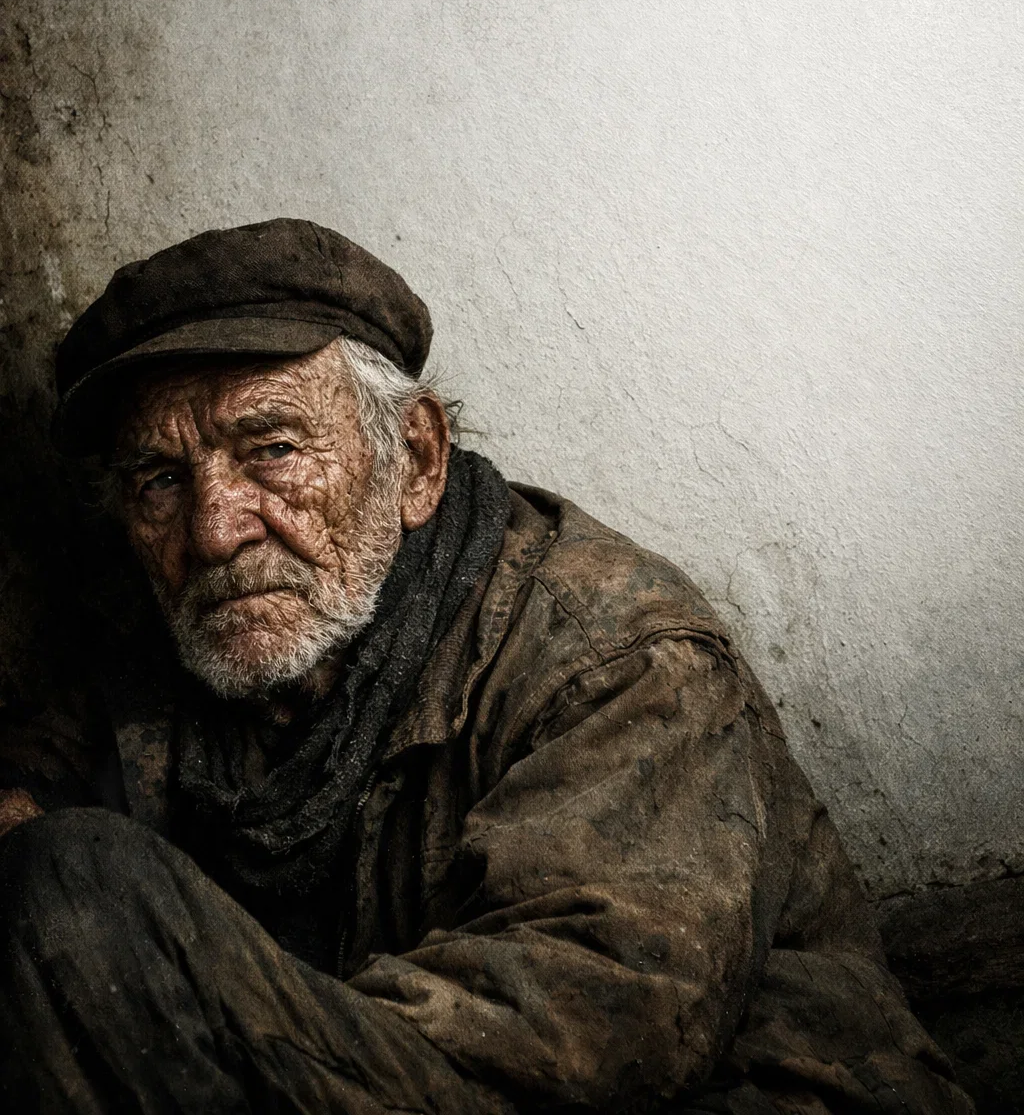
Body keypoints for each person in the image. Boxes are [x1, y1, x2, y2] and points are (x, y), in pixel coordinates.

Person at [0, 219, 971, 1113]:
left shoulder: (613, 658)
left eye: (274, 449)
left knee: (79, 890)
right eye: (161, 480)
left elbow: (591, 1037)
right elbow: (58, 760)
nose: (214, 531)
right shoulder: (175, 644)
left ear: (415, 458)